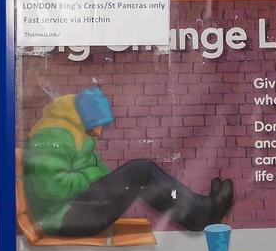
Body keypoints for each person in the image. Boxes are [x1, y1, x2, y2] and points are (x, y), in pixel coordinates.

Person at [23, 87, 234, 236]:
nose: (100, 131)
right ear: (84, 117)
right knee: (140, 171)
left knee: (141, 172)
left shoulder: (76, 132)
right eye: (98, 124)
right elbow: (54, 187)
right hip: (62, 218)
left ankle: (201, 210)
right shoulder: (53, 136)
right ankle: (202, 214)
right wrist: (94, 178)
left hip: (73, 207)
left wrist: (99, 179)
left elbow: (98, 170)